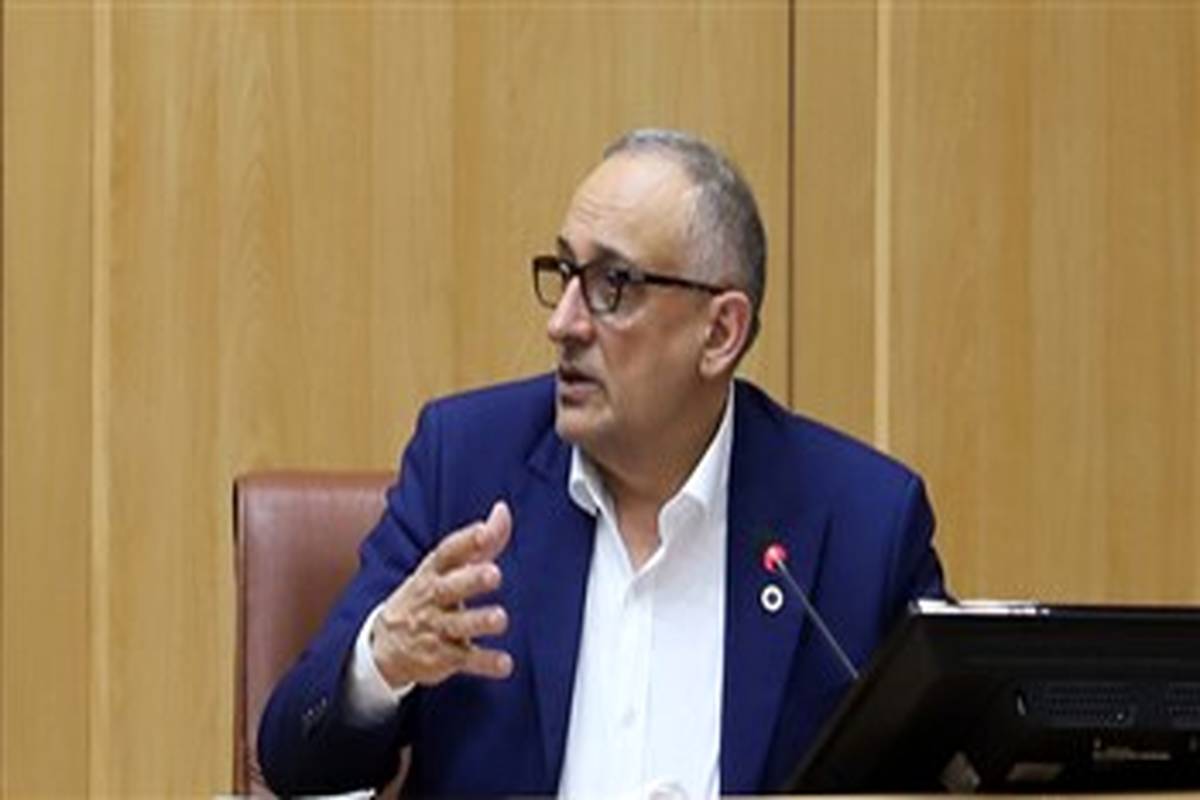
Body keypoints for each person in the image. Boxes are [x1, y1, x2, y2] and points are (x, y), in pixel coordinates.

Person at [257, 129, 947, 797]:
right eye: (565, 273)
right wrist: (381, 663)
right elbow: (292, 761)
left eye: (613, 284)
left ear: (719, 332)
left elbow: (956, 771)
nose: (562, 323)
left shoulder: (865, 524)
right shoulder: (465, 463)